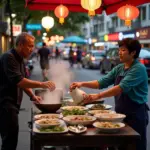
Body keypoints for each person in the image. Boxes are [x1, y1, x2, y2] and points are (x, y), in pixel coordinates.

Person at [70, 38, 149, 150]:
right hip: (120, 114)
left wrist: (97, 96)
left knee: (134, 146)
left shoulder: (138, 68)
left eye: (123, 50)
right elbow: (101, 82)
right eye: (119, 50)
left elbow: (120, 88)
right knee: (121, 145)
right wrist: (81, 83)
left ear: (133, 52)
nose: (119, 52)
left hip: (136, 115)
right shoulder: (120, 67)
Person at [0, 32, 56, 150]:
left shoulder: (20, 59)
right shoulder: (9, 57)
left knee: (12, 137)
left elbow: (22, 81)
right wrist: (42, 84)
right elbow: (19, 81)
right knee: (9, 141)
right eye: (29, 46)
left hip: (12, 105)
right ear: (20, 45)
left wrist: (32, 96)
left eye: (33, 46)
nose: (32, 49)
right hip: (5, 104)